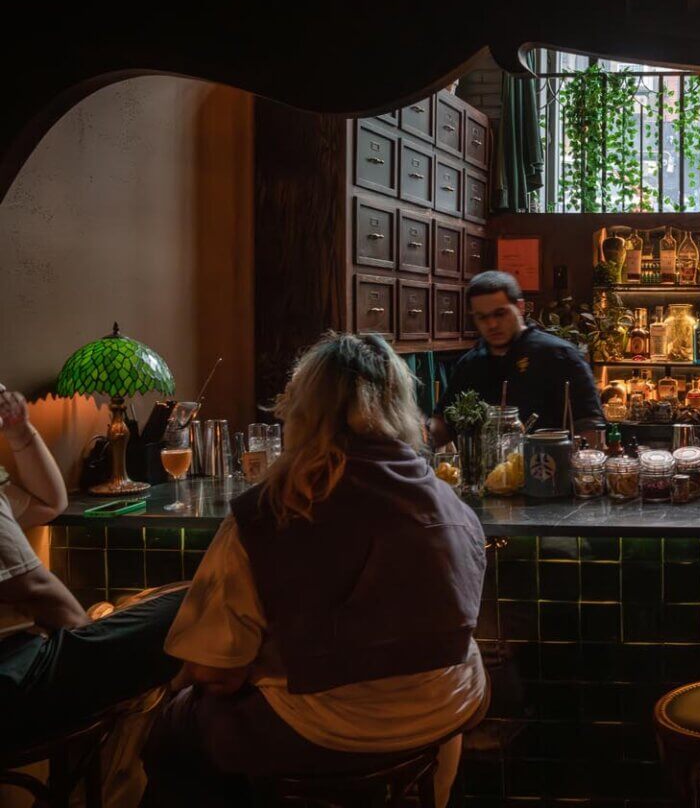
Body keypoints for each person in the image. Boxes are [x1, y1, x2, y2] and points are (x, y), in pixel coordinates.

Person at [142, 333, 488, 805]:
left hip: (326, 732)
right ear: (401, 405)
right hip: (445, 710)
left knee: (172, 730)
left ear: (302, 409)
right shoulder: (450, 500)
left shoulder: (270, 513)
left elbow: (214, 670)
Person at [0, 382, 187, 752]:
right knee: (200, 603)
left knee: (166, 601)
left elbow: (50, 503)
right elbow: (36, 591)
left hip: (25, 661)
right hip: (17, 679)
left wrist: (20, 431)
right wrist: (93, 640)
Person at [429, 270, 604, 448]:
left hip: (547, 467)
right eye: (482, 317)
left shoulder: (559, 356)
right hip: (487, 471)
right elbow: (444, 424)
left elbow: (590, 426)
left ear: (520, 307)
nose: (492, 324)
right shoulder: (471, 364)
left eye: (500, 314)